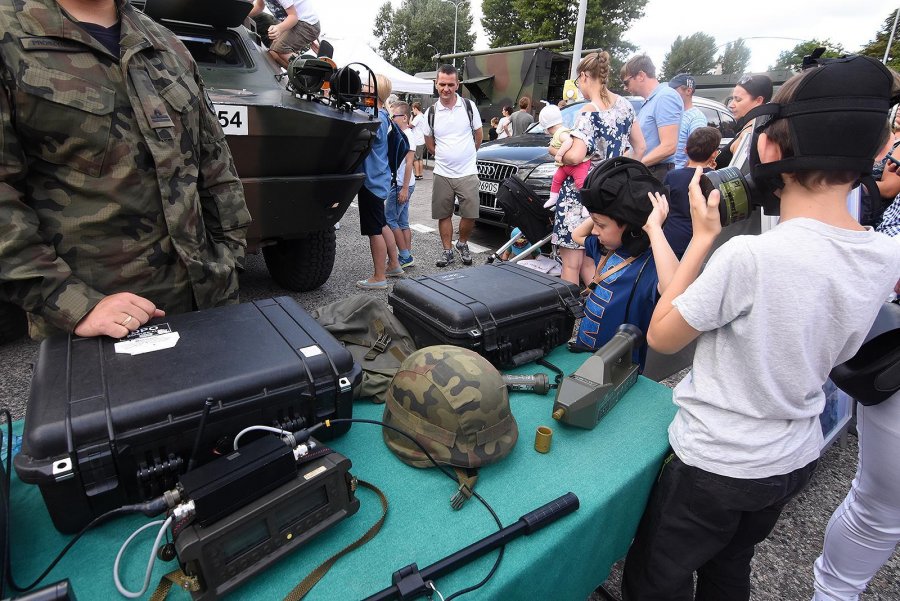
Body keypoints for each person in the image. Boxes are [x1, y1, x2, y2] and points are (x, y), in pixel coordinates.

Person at [620, 55, 900, 601]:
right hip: (790, 458)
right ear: (871, 153)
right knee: (729, 568)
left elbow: (661, 337)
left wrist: (701, 239)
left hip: (715, 465)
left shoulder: (750, 257)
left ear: (768, 148)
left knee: (658, 579)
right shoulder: (883, 255)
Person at [0, 0, 250, 340]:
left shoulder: (165, 44)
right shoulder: (10, 33)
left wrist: (228, 260)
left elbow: (215, 164)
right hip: (97, 324)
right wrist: (73, 303)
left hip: (205, 305)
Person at [552, 51, 646, 287]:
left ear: (584, 76)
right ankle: (599, 305)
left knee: (571, 263)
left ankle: (569, 317)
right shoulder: (625, 105)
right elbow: (641, 147)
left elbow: (575, 156)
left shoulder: (588, 111)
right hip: (607, 197)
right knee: (594, 261)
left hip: (578, 197)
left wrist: (554, 152)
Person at [570, 172, 676, 369]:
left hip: (617, 366)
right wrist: (598, 209)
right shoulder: (607, 249)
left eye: (601, 225)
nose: (594, 230)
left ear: (630, 227)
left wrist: (654, 228)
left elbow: (673, 288)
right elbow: (577, 235)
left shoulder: (649, 266)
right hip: (583, 350)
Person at [422, 64, 483, 268]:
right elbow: (429, 141)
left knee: (470, 213)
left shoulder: (468, 106)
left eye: (450, 84)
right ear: (436, 84)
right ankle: (447, 250)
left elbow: (478, 136)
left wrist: (465, 154)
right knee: (443, 214)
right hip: (442, 173)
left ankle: (462, 243)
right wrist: (441, 154)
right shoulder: (430, 112)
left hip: (467, 171)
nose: (446, 88)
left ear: (457, 84)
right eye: (442, 84)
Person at [356, 74, 403, 289]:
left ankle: (379, 277)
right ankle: (394, 264)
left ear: (374, 91)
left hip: (371, 182)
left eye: (366, 84)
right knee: (381, 223)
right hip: (380, 179)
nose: (362, 86)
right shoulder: (384, 114)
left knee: (374, 229)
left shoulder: (372, 116)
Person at [621, 54, 683, 181]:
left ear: (641, 76)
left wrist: (635, 166)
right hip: (649, 170)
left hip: (657, 173)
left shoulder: (665, 97)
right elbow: (640, 146)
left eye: (626, 82)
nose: (625, 88)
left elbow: (669, 146)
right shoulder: (652, 100)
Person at [662, 127, 722, 258]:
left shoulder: (672, 176)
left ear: (685, 150)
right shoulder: (715, 179)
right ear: (714, 154)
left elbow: (664, 206)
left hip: (672, 237)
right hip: (700, 240)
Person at [538, 104, 590, 210]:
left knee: (581, 184)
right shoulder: (559, 132)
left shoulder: (561, 133)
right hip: (566, 166)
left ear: (548, 128)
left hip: (578, 166)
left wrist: (559, 154)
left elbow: (569, 141)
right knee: (556, 179)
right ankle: (553, 197)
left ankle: (587, 205)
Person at [386, 101, 417, 269]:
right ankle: (407, 255)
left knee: (390, 219)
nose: (391, 119)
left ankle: (404, 255)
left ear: (404, 117)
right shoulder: (405, 134)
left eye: (394, 116)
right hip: (404, 184)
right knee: (403, 222)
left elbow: (409, 163)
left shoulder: (407, 136)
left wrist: (404, 188)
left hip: (401, 185)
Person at [248, 0, 320, 68]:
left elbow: (293, 17)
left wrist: (279, 28)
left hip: (307, 24)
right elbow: (259, 6)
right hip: (294, 23)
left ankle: (309, 73)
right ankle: (297, 77)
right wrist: (243, 13)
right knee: (273, 53)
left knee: (281, 48)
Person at [724, 73, 773, 161]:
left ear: (758, 100)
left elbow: (739, 173)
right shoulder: (752, 128)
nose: (731, 105)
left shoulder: (749, 134)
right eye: (732, 99)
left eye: (738, 99)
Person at [668, 73, 708, 169]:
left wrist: (682, 175)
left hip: (678, 174)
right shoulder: (671, 113)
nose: (670, 93)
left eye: (674, 90)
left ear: (688, 91)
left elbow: (697, 152)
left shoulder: (696, 118)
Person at [410, 102, 427, 181]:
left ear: (415, 108)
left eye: (413, 109)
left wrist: (410, 117)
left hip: (416, 140)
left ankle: (417, 174)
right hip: (422, 139)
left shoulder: (418, 117)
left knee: (415, 158)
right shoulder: (423, 116)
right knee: (420, 158)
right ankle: (420, 174)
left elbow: (410, 125)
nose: (412, 111)